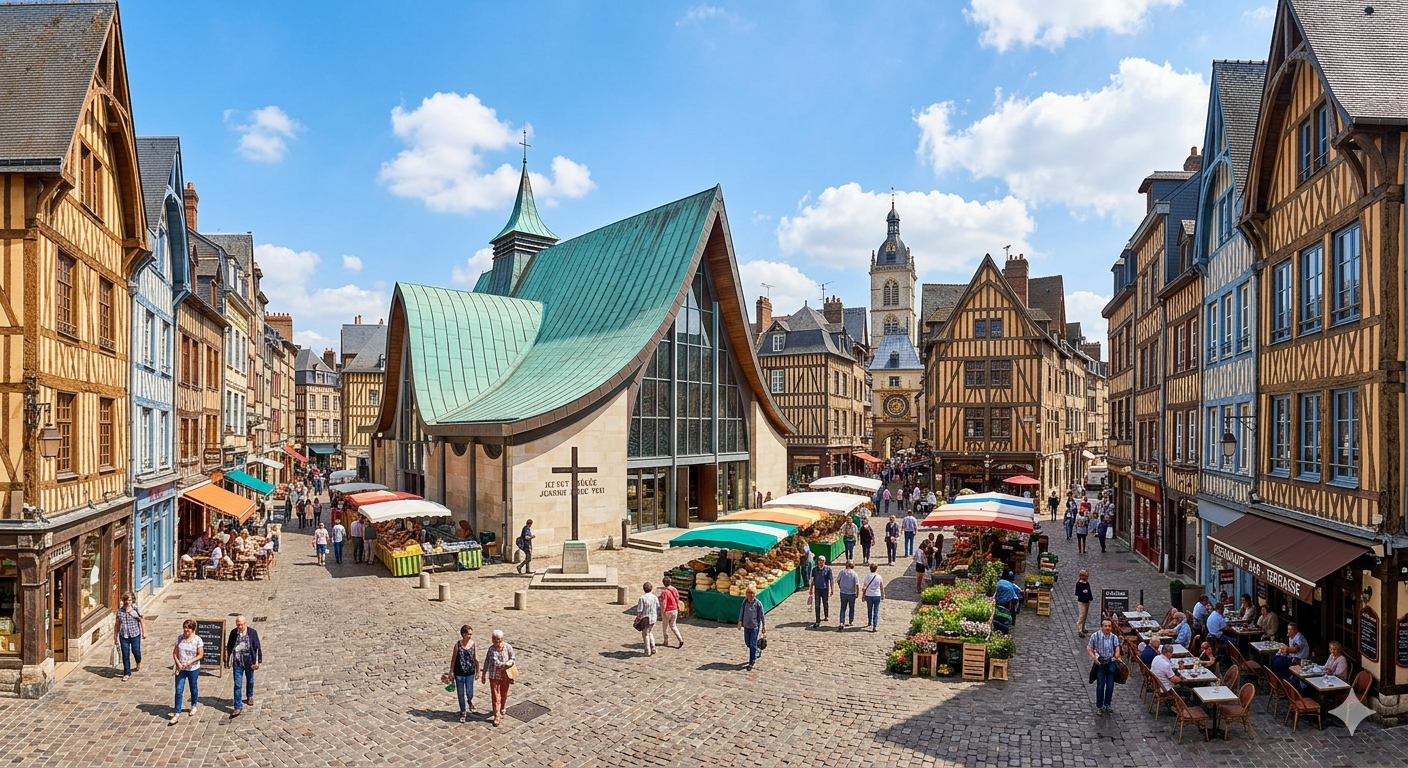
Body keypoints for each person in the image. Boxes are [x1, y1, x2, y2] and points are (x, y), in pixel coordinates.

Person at [225, 615, 262, 718]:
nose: (239, 626)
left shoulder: (252, 633)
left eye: (241, 624)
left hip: (249, 660)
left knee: (250, 680)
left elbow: (257, 647)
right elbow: (229, 647)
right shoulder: (233, 633)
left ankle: (249, 696)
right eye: (238, 624)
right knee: (237, 684)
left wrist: (258, 661)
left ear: (245, 624)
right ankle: (237, 707)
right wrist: (226, 661)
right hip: (237, 661)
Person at [170, 619, 203, 725]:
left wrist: (189, 662)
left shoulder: (198, 640)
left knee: (193, 687)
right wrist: (178, 663)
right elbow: (175, 653)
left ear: (193, 630)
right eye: (184, 628)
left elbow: (200, 654)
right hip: (181, 669)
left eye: (188, 629)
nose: (185, 630)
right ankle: (177, 712)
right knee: (178, 690)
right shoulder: (180, 638)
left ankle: (193, 705)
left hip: (193, 669)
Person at [480, 629, 516, 727]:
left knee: (504, 693)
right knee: (496, 696)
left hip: (505, 675)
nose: (497, 642)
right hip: (494, 675)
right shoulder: (491, 650)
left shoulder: (508, 647)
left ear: (502, 639)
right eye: (495, 640)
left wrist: (509, 662)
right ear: (492, 639)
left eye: (499, 640)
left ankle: (503, 706)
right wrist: (483, 674)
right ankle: (497, 716)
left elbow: (513, 657)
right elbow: (488, 661)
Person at [1086, 619, 1122, 716]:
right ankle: (1099, 706)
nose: (1107, 628)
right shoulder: (1095, 636)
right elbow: (1089, 648)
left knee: (1110, 685)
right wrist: (1094, 658)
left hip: (1110, 663)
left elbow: (1117, 647)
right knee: (1100, 685)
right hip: (1100, 664)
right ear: (1102, 627)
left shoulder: (1114, 637)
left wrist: (1117, 655)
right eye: (1105, 626)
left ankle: (1107, 705)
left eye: (1109, 626)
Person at [111, 592, 146, 680]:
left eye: (129, 600)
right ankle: (127, 672)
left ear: (132, 600)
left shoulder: (136, 610)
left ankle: (138, 661)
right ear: (123, 601)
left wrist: (144, 632)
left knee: (136, 651)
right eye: (126, 600)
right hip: (124, 636)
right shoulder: (120, 612)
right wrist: (115, 636)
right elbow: (117, 624)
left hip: (135, 634)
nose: (128, 602)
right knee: (125, 654)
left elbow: (141, 621)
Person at [448, 625, 478, 722]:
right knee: (460, 693)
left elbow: (475, 659)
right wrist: (451, 672)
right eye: (468, 634)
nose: (470, 636)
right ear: (463, 634)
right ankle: (463, 712)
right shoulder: (457, 645)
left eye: (471, 634)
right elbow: (453, 659)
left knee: (469, 692)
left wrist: (478, 671)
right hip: (459, 673)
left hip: (470, 673)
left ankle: (469, 701)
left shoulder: (473, 645)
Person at [737, 586, 765, 670]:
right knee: (747, 643)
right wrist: (739, 621)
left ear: (755, 594)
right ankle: (756, 651)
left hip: (754, 627)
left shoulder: (758, 604)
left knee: (752, 644)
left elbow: (762, 615)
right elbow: (742, 612)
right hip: (746, 626)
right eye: (748, 593)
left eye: (752, 593)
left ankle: (751, 662)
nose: (750, 595)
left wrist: (764, 625)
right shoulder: (744, 602)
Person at [635, 582, 660, 656]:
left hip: (646, 618)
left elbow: (640, 610)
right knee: (649, 632)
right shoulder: (654, 597)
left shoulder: (642, 598)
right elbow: (658, 606)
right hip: (653, 617)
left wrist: (638, 618)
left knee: (645, 634)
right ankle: (653, 647)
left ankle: (647, 650)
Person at [660, 577, 684, 648]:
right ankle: (680, 639)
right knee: (673, 626)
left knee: (665, 627)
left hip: (668, 611)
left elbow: (664, 603)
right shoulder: (674, 589)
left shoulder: (665, 592)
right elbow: (677, 598)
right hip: (674, 610)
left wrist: (662, 612)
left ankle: (666, 641)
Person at [810, 556, 834, 627]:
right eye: (820, 560)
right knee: (817, 604)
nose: (821, 562)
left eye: (822, 561)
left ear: (825, 561)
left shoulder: (828, 569)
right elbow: (813, 580)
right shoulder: (814, 569)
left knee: (825, 603)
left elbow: (831, 580)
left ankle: (826, 615)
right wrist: (811, 589)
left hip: (825, 589)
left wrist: (832, 589)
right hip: (817, 588)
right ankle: (817, 619)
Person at [837, 560, 860, 630]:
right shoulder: (854, 574)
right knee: (851, 607)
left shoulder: (842, 572)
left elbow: (838, 580)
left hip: (843, 592)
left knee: (843, 608)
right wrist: (857, 593)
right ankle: (851, 620)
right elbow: (857, 584)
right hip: (851, 593)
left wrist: (840, 586)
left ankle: (841, 622)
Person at [862, 563, 884, 631]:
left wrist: (863, 595)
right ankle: (875, 625)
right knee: (876, 610)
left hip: (869, 595)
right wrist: (883, 594)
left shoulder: (867, 576)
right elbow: (881, 587)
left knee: (869, 609)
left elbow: (864, 586)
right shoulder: (879, 577)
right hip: (877, 595)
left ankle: (869, 621)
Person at [1074, 570, 1093, 637]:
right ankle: (1079, 629)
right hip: (1081, 601)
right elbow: (1077, 593)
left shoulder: (1087, 583)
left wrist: (1090, 597)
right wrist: (1083, 592)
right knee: (1081, 615)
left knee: (1085, 615)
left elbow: (1089, 591)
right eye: (1086, 576)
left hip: (1087, 601)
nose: (1087, 577)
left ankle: (1083, 627)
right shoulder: (1079, 584)